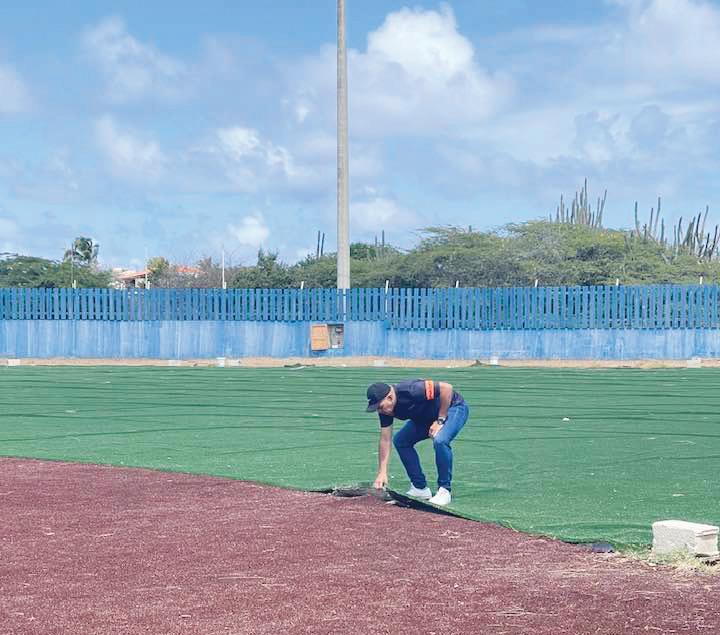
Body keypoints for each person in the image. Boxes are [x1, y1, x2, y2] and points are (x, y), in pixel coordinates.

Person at [366, 379, 469, 506]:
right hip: (424, 418)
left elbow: (446, 388)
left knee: (440, 440)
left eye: (380, 407)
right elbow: (385, 439)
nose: (380, 411)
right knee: (401, 441)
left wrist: (440, 420)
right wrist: (382, 472)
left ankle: (444, 490)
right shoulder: (385, 409)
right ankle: (419, 488)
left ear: (390, 397)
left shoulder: (412, 390)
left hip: (452, 408)